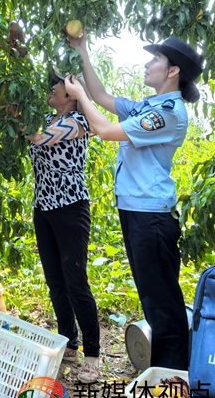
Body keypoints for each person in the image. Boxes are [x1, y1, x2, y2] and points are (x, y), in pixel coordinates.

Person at [64, 30, 204, 370]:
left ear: (173, 71)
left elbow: (106, 129)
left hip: (151, 216)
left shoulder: (168, 112)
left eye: (155, 59)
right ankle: (167, 371)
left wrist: (79, 95)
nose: (147, 63)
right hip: (136, 211)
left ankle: (173, 379)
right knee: (152, 297)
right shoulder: (148, 107)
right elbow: (101, 96)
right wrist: (83, 50)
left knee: (162, 302)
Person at [26, 73, 100, 383]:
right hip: (43, 207)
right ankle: (68, 340)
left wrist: (13, 114)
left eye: (56, 86)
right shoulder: (46, 116)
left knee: (75, 282)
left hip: (70, 207)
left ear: (70, 94)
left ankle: (93, 355)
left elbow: (39, 137)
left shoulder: (76, 122)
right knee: (55, 279)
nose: (50, 89)